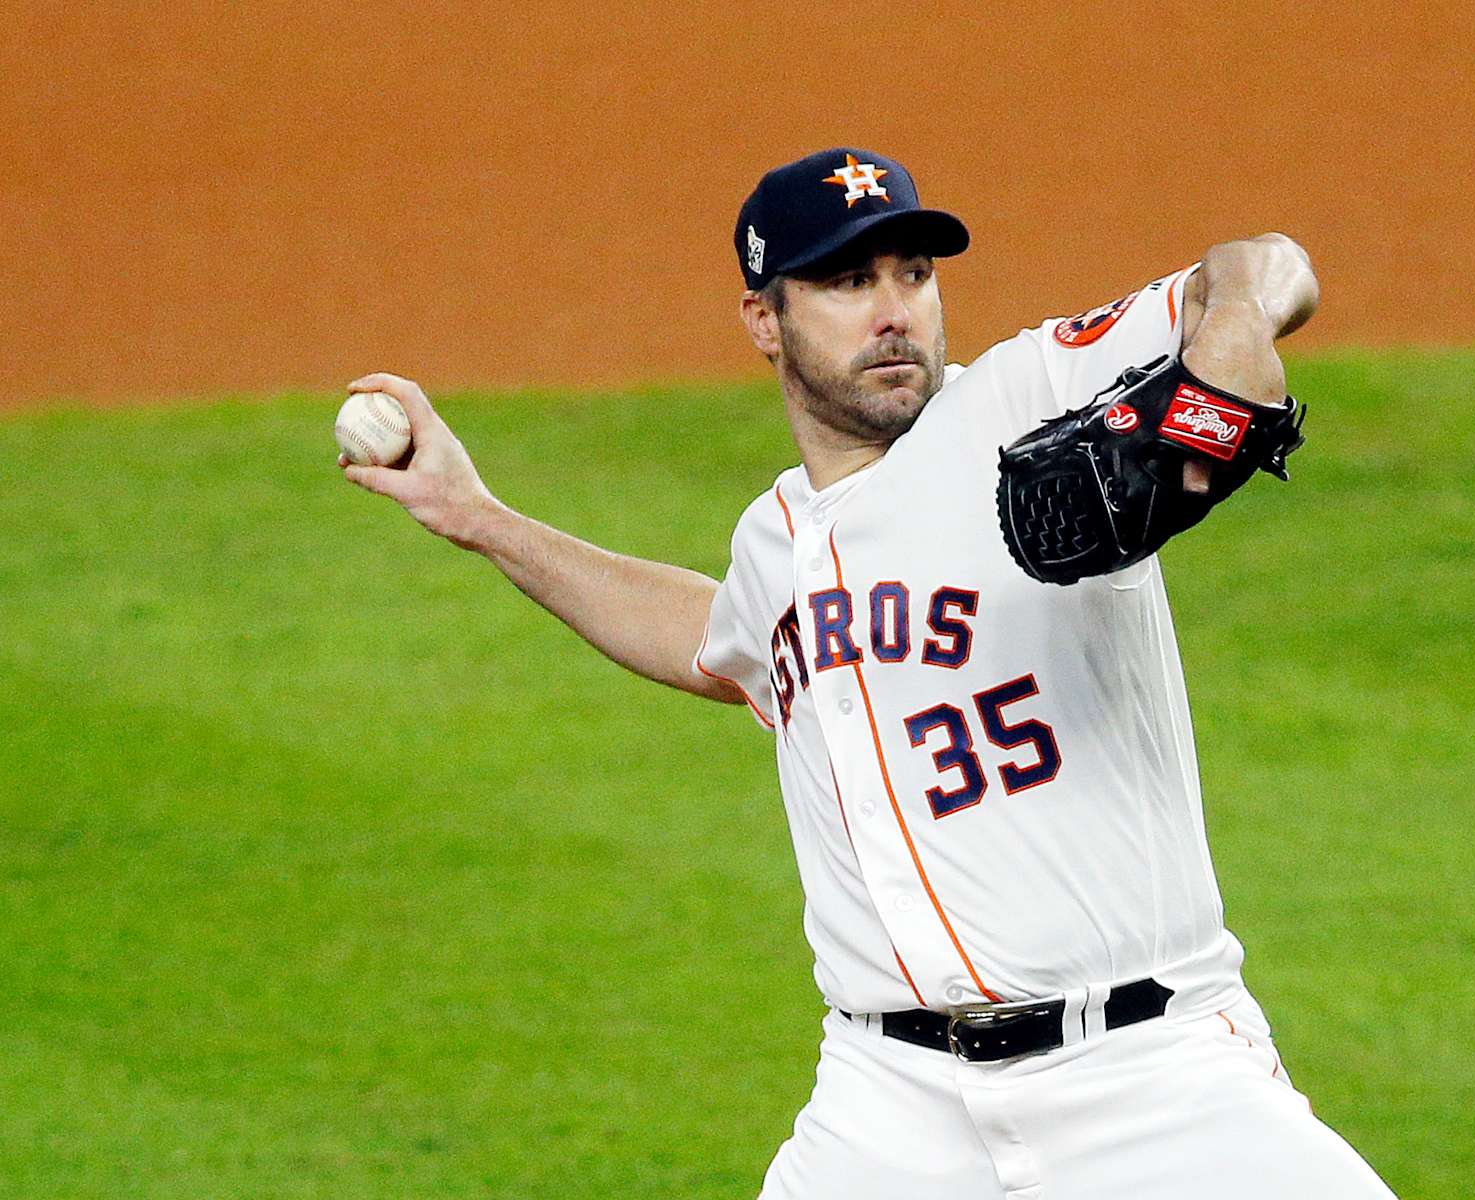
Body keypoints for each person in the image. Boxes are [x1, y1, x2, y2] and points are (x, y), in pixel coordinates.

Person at [341, 147, 1395, 1199]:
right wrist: (479, 520)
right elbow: (714, 644)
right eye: (848, 282)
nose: (894, 310)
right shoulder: (776, 542)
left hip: (1144, 1073)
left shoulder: (1024, 398)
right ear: (765, 319)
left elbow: (1267, 265)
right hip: (892, 1107)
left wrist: (1225, 348)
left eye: (913, 274)